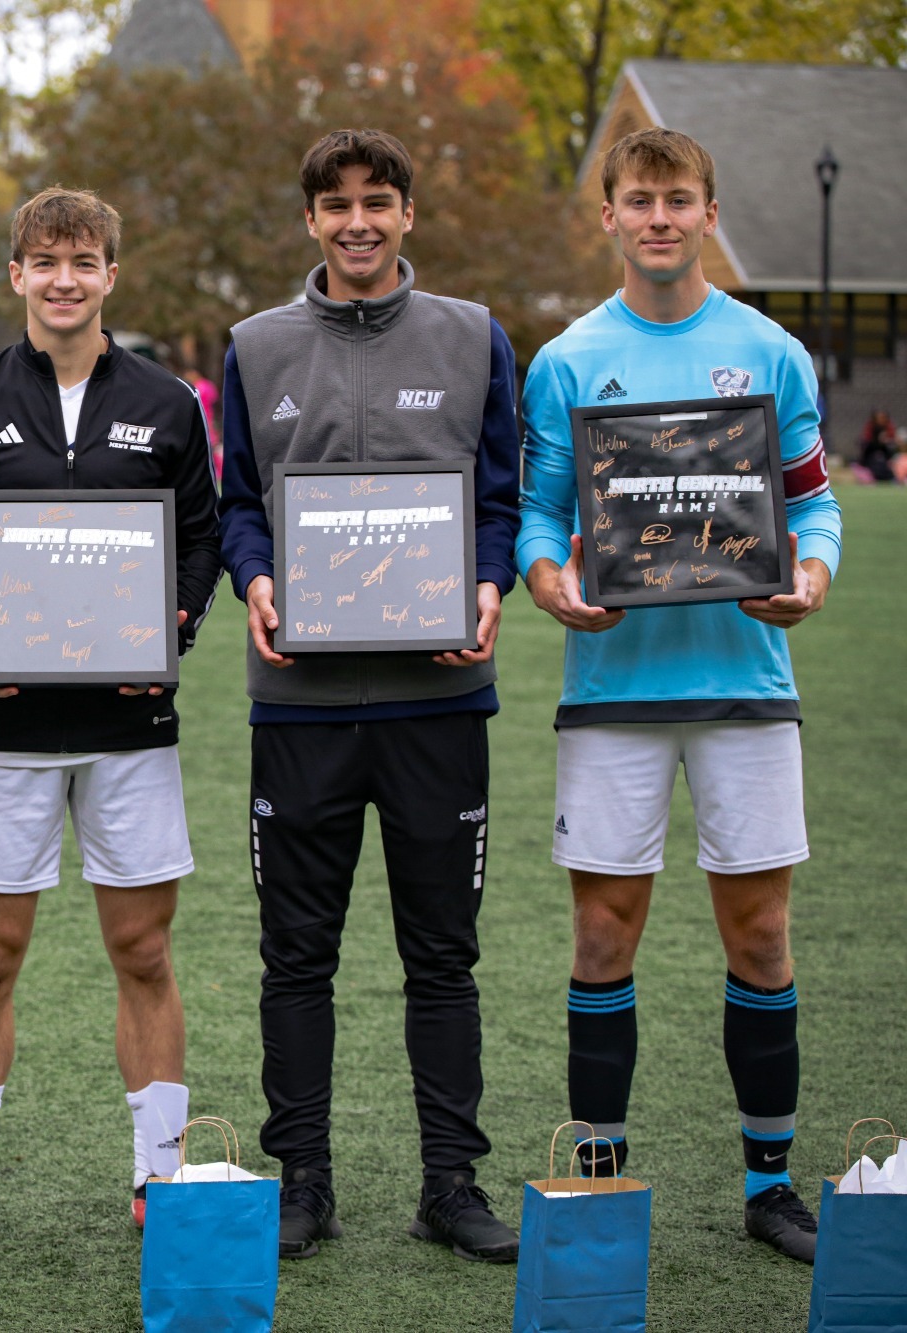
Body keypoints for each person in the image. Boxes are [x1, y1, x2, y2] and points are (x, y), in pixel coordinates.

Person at [518, 126, 841, 1264]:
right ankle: (600, 1178)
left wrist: (809, 576)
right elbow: (539, 513)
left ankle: (769, 1184)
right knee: (604, 933)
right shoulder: (567, 360)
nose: (658, 218)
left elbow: (813, 503)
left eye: (678, 199)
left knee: (760, 934)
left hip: (744, 680)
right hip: (614, 689)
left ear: (709, 212)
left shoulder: (768, 352)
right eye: (639, 199)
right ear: (607, 214)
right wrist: (550, 585)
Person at [218, 128, 523, 1262]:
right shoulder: (254, 346)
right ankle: (303, 1182)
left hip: (437, 702)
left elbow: (501, 497)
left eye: (377, 201)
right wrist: (255, 577)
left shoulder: (474, 335)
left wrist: (487, 582)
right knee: (297, 959)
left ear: (406, 214)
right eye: (336, 203)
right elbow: (237, 503)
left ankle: (450, 1185)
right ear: (309, 219)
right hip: (299, 704)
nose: (357, 221)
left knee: (441, 957)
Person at [0, 188, 221, 1252]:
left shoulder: (168, 401)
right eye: (44, 261)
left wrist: (172, 628)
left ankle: (159, 1173)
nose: (63, 279)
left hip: (130, 727)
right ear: (16, 275)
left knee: (143, 948)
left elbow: (201, 540)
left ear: (110, 275)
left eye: (83, 261)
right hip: (4, 731)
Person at [856, 409, 896, 483]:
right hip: (871, 464)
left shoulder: (889, 435)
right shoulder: (869, 442)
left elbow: (890, 455)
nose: (881, 420)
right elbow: (864, 458)